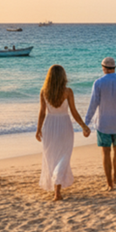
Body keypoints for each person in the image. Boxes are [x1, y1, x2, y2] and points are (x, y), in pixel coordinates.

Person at [36, 65, 90, 201]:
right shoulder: (68, 92)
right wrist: (83, 126)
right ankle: (57, 191)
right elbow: (74, 112)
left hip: (50, 127)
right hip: (65, 126)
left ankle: (56, 189)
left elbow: (42, 112)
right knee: (64, 157)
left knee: (51, 157)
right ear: (62, 77)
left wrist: (38, 129)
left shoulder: (43, 92)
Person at [84, 56, 116, 191]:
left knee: (106, 152)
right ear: (114, 68)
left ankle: (109, 183)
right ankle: (115, 176)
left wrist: (86, 122)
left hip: (103, 123)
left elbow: (93, 104)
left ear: (103, 68)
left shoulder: (98, 83)